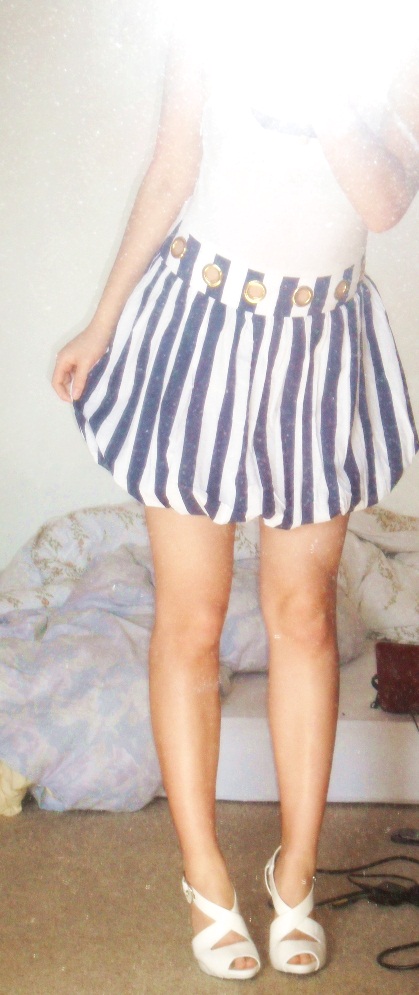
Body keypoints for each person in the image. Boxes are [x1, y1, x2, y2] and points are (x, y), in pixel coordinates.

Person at [52, 1, 419, 979]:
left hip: (317, 346)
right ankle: (206, 877)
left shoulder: (383, 36)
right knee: (192, 616)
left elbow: (385, 202)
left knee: (301, 615)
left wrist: (323, 79)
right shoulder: (207, 21)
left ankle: (292, 874)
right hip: (198, 329)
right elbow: (170, 170)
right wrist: (101, 321)